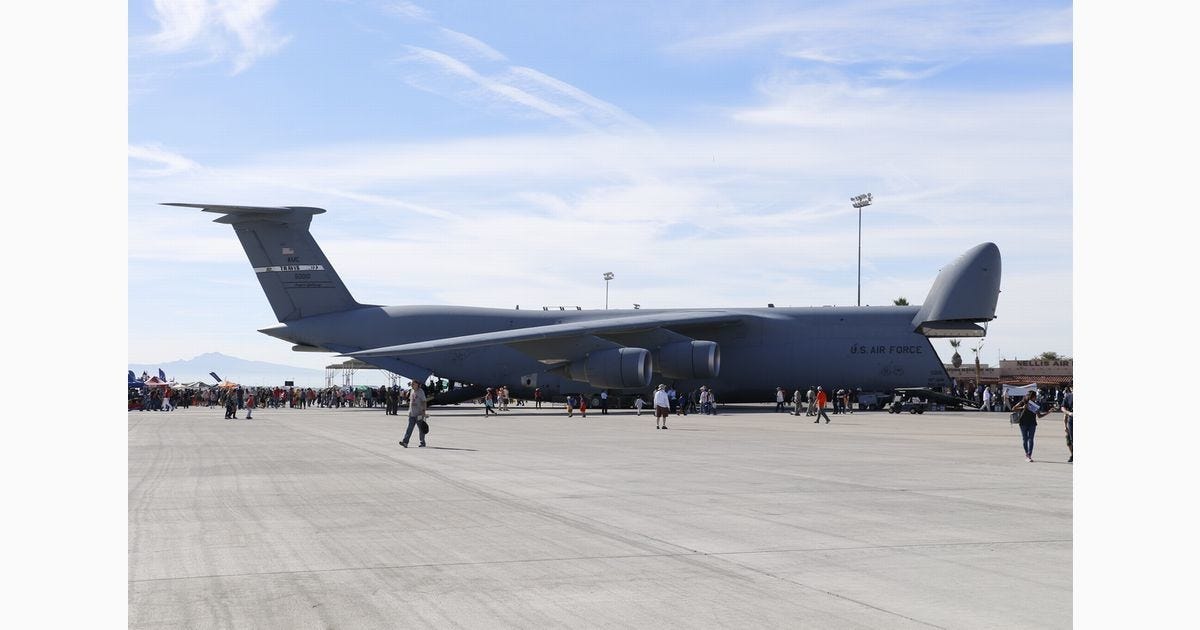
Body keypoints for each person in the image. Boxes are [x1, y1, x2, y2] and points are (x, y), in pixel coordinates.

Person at [1011, 390, 1052, 462]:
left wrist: (1048, 412)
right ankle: (1027, 454)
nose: (1035, 398)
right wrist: (1022, 407)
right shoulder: (1023, 402)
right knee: (1025, 439)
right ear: (1031, 397)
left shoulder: (1035, 405)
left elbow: (1039, 416)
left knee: (1031, 439)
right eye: (1035, 397)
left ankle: (1029, 455)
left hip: (1032, 424)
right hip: (1023, 423)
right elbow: (1013, 408)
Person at [400, 382, 427, 448]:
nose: (412, 385)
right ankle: (405, 442)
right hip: (412, 414)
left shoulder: (421, 391)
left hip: (419, 414)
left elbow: (424, 401)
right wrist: (409, 411)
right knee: (409, 429)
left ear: (417, 384)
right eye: (412, 384)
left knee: (421, 429)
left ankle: (422, 442)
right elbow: (411, 401)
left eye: (413, 384)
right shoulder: (412, 391)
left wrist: (423, 411)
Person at [1061, 386, 1073, 463]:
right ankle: (1073, 455)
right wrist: (1069, 413)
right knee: (1070, 441)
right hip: (1072, 420)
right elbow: (1063, 408)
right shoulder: (1068, 396)